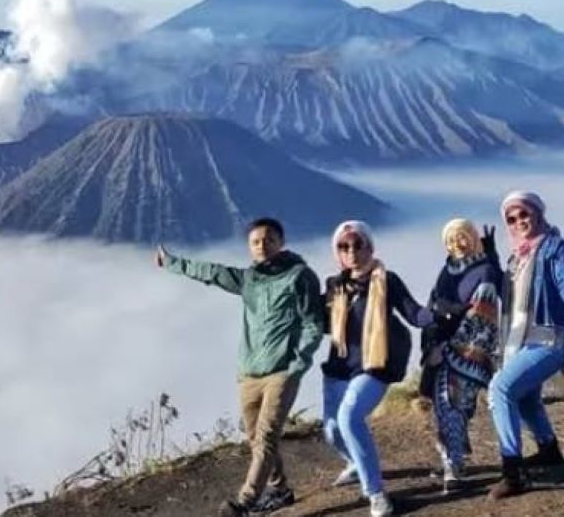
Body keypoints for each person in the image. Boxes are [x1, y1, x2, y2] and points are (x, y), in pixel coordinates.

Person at [155, 218, 323, 517]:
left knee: (267, 435)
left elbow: (313, 323)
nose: (262, 245)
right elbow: (212, 273)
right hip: (249, 372)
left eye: (269, 239)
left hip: (282, 371)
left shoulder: (300, 276)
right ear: (249, 247)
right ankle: (280, 489)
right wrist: (171, 263)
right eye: (256, 241)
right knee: (256, 438)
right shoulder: (249, 280)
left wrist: (298, 364)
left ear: (281, 242)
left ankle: (245, 502)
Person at [320, 220, 436, 517]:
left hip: (374, 366)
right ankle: (357, 464)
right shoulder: (335, 286)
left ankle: (376, 494)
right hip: (339, 366)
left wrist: (443, 312)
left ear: (370, 247)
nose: (352, 251)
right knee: (332, 431)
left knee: (349, 417)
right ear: (338, 253)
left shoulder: (388, 281)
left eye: (358, 244)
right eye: (344, 246)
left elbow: (415, 314)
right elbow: (323, 323)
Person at [487, 191, 564, 500]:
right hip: (522, 339)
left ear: (538, 214)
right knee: (524, 399)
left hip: (548, 338)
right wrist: (493, 263)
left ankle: (513, 473)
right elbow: (514, 302)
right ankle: (548, 448)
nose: (519, 222)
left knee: (500, 390)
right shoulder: (518, 257)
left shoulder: (556, 249)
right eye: (511, 219)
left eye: (524, 214)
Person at [418, 218, 503, 494]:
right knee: (446, 407)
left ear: (474, 237)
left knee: (455, 407)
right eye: (451, 240)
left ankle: (453, 463)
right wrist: (432, 345)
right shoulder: (447, 270)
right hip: (443, 349)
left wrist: (452, 346)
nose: (458, 244)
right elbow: (434, 306)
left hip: (466, 351)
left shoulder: (486, 270)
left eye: (463, 236)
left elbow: (484, 312)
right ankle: (453, 462)